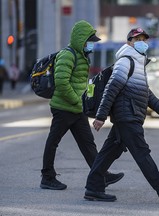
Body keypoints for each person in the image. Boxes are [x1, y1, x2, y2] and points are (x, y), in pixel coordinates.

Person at [84, 27, 159, 203]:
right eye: (137, 39)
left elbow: (145, 93)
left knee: (109, 152)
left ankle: (93, 188)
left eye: (144, 39)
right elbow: (111, 88)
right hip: (127, 116)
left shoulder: (138, 62)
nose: (142, 42)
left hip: (129, 115)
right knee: (141, 153)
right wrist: (101, 116)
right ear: (129, 42)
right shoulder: (126, 61)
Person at [40, 20, 124, 190]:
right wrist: (78, 101)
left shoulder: (81, 56)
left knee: (88, 143)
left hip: (77, 109)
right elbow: (62, 82)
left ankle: (101, 174)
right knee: (53, 142)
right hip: (64, 108)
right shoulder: (67, 55)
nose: (91, 45)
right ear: (81, 40)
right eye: (89, 41)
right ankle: (47, 177)